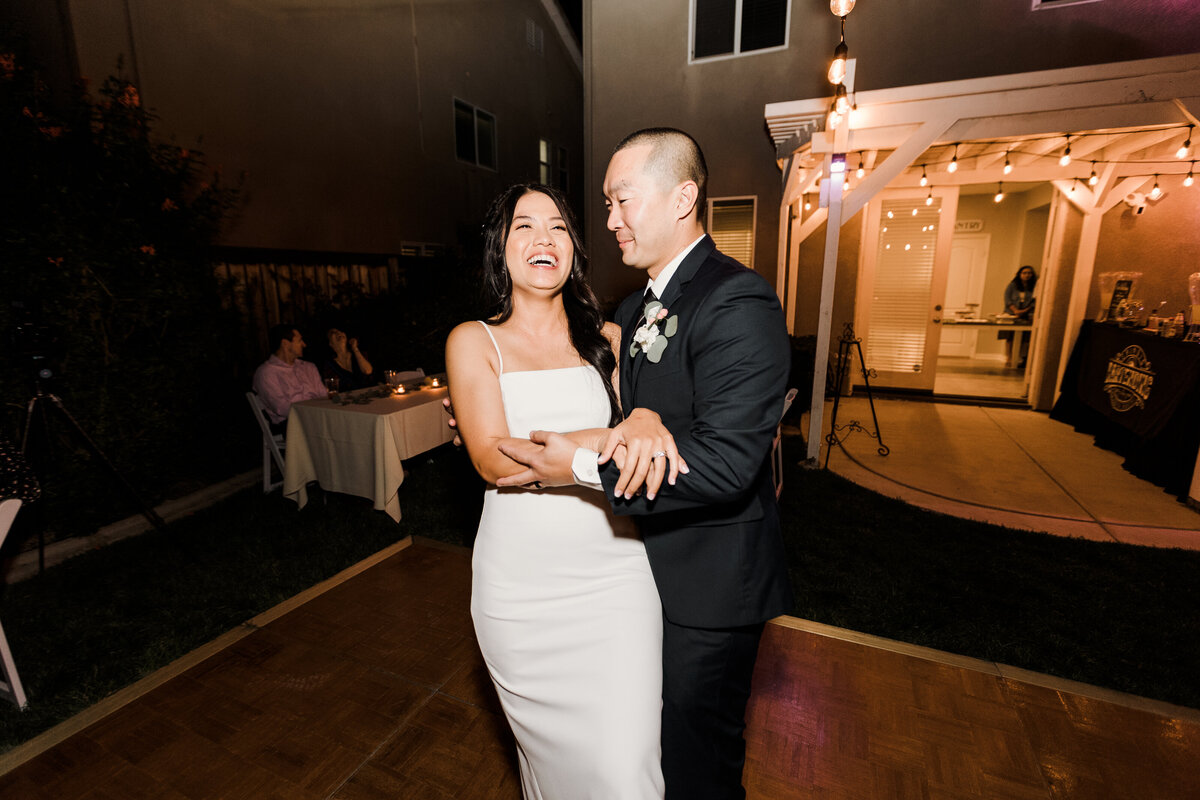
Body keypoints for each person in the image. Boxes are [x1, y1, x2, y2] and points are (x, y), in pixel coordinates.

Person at [495, 128, 793, 799]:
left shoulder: (737, 300)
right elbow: (623, 414)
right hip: (631, 579)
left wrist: (575, 468)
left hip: (709, 589)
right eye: (605, 205)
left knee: (698, 766)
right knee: (643, 752)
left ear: (683, 197)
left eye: (622, 200)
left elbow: (725, 466)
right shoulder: (633, 309)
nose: (609, 221)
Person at [445, 183, 683, 799]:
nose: (542, 239)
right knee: (555, 774)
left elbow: (652, 433)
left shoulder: (608, 340)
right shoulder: (474, 341)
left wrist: (644, 420)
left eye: (556, 227)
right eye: (523, 227)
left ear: (574, 248)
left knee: (625, 772)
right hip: (521, 592)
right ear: (501, 249)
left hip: (615, 578)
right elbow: (495, 459)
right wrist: (611, 432)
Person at [251, 323, 326, 431]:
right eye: (299, 340)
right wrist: (313, 412)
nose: (304, 345)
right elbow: (281, 408)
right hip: (290, 424)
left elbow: (323, 395)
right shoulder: (267, 372)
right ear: (285, 344)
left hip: (317, 418)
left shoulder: (308, 367)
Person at [999, 265, 1037, 368]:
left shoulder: (1034, 287)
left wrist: (1024, 311)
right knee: (1009, 337)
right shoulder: (1012, 285)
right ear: (1020, 274)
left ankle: (1020, 358)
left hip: (1026, 314)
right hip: (1011, 314)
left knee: (1024, 338)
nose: (1027, 275)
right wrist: (1015, 311)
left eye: (1029, 273)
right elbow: (1007, 299)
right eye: (1024, 273)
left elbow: (1034, 301)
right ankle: (1009, 357)